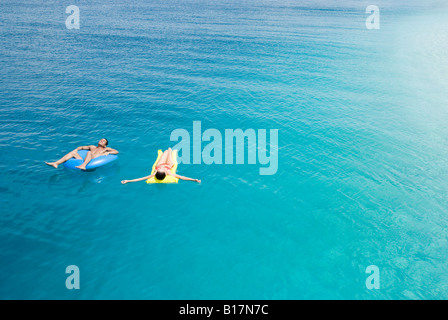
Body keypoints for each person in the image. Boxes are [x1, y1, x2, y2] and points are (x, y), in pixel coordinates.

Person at [121, 147, 200, 184]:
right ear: (166, 173)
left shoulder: (155, 173)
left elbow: (141, 178)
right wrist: (194, 180)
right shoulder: (169, 172)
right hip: (169, 165)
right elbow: (181, 177)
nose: (162, 169)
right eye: (162, 170)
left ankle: (167, 152)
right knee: (169, 150)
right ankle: (169, 151)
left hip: (160, 164)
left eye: (160, 169)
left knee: (165, 151)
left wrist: (128, 180)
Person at [45, 138, 119, 170]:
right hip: (84, 160)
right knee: (74, 153)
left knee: (89, 152)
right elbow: (81, 147)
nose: (101, 141)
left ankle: (83, 166)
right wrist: (76, 149)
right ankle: (56, 163)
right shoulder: (92, 147)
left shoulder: (105, 149)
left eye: (103, 141)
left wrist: (109, 152)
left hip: (92, 162)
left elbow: (116, 151)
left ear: (105, 145)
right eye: (101, 140)